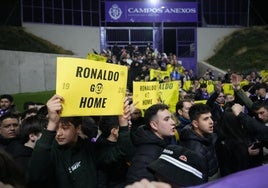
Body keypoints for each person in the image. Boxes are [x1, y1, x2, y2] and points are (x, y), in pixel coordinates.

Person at [27, 94, 132, 188]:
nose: (59, 133)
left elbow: (121, 152)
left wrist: (123, 124)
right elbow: (35, 175)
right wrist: (51, 124)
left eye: (65, 127)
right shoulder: (50, 151)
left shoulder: (90, 148)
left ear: (77, 128)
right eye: (56, 128)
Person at [126, 104, 176, 184]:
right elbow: (137, 182)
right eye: (166, 119)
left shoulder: (165, 141)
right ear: (154, 125)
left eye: (171, 118)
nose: (173, 122)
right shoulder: (145, 155)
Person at [179, 104, 219, 182]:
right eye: (206, 119)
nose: (211, 122)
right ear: (195, 124)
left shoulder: (207, 135)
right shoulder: (195, 150)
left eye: (210, 117)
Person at [95, 115, 134, 188]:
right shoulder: (103, 150)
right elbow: (123, 150)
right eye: (126, 123)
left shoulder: (120, 141)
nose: (130, 124)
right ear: (114, 131)